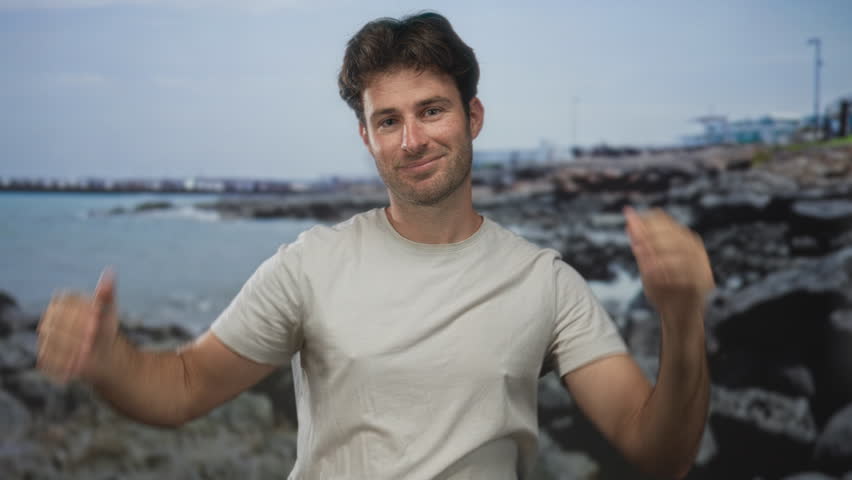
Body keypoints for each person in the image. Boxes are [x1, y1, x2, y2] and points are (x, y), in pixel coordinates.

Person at [36, 12, 713, 480]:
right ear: (367, 137)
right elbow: (184, 386)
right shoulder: (310, 265)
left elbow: (659, 452)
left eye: (431, 110)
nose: (412, 139)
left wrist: (682, 320)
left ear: (473, 116)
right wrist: (111, 362)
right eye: (388, 120)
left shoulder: (546, 282)